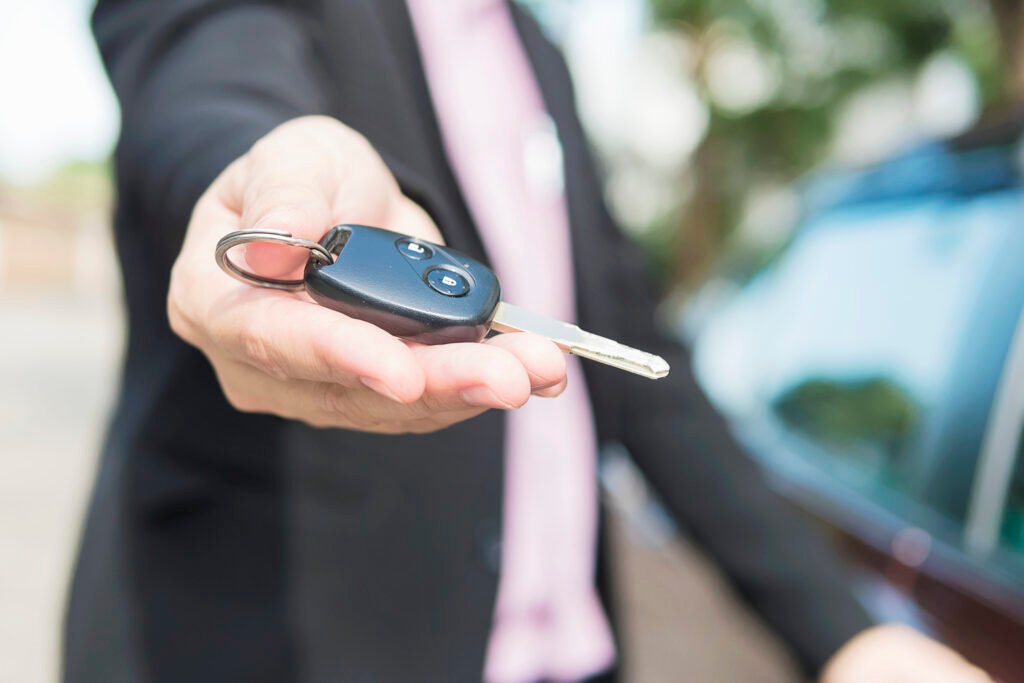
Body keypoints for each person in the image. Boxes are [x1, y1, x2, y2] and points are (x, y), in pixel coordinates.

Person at [64, 1, 991, 682]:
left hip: (571, 658)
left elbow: (646, 371)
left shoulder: (536, 49)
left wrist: (847, 631)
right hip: (283, 651)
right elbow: (206, 80)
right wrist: (261, 173)